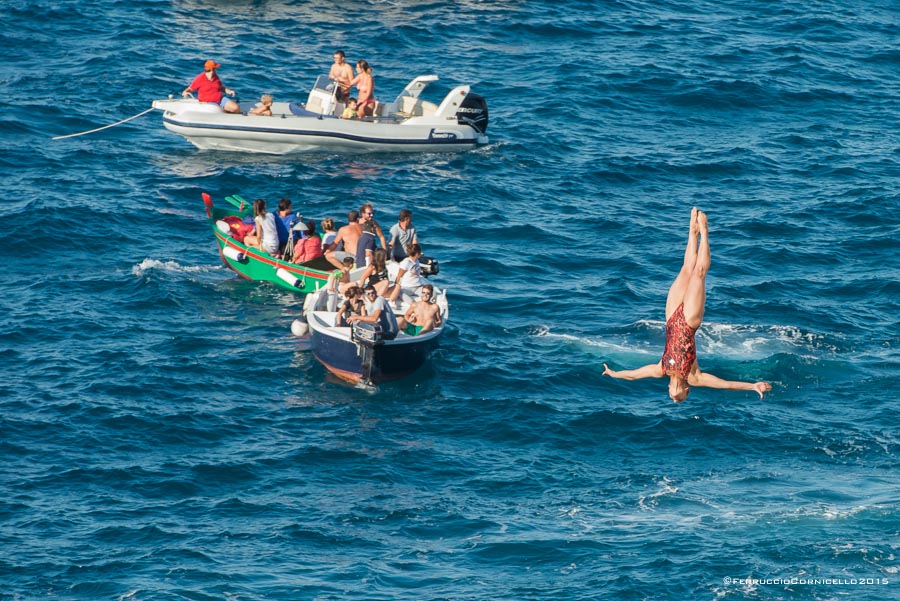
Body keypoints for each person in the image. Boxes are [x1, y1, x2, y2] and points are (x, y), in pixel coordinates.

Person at [602, 208, 773, 402]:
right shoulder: (694, 377)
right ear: (687, 390)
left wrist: (615, 374)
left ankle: (692, 232)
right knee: (699, 272)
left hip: (671, 318)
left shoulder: (661, 370)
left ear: (668, 389)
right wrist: (752, 386)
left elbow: (633, 375)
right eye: (680, 398)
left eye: (672, 397)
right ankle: (705, 232)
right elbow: (725, 384)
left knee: (686, 269)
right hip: (690, 321)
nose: (675, 398)